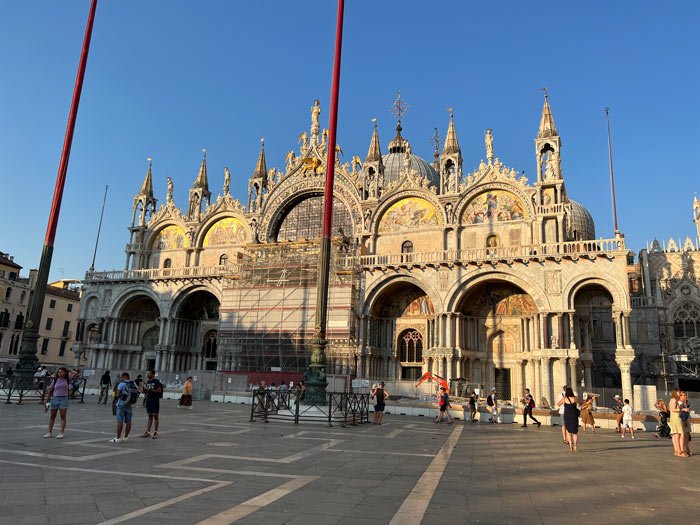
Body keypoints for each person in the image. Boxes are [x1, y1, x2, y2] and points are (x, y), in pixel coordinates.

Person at [43, 367, 70, 439]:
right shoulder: (55, 380)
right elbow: (50, 391)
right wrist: (46, 401)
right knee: (52, 416)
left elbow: (75, 373)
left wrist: (69, 370)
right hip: (55, 398)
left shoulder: (67, 380)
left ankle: (61, 432)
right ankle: (49, 432)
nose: (59, 373)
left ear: (65, 373)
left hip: (64, 399)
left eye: (61, 372)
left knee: (63, 416)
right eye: (59, 372)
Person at [111, 372, 136, 443]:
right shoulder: (133, 384)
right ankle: (126, 437)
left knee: (120, 420)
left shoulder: (121, 384)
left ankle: (118, 438)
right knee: (128, 421)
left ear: (124, 377)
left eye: (122, 377)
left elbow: (118, 394)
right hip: (129, 404)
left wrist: (118, 395)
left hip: (121, 404)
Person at [140, 370, 163, 439]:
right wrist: (142, 388)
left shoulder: (156, 382)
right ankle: (148, 432)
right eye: (147, 373)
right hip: (148, 400)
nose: (147, 374)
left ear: (153, 374)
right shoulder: (148, 382)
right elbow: (145, 392)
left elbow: (159, 391)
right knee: (150, 416)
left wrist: (149, 389)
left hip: (155, 400)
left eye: (149, 373)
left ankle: (155, 432)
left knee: (155, 416)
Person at [557, 387, 581, 452]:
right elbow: (580, 403)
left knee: (568, 431)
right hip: (574, 416)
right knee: (575, 432)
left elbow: (558, 404)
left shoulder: (564, 399)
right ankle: (575, 445)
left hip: (567, 416)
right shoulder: (575, 398)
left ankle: (570, 446)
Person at [669, 388, 687, 457]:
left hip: (674, 418)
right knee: (681, 434)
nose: (679, 394)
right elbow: (673, 409)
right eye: (679, 392)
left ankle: (677, 450)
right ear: (676, 392)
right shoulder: (673, 400)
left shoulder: (673, 400)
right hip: (676, 418)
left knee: (676, 434)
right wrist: (682, 409)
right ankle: (680, 451)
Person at [680, 391, 693, 456]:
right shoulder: (679, 402)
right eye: (684, 395)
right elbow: (679, 411)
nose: (685, 396)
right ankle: (683, 449)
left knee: (687, 434)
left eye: (686, 395)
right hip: (682, 419)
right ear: (680, 396)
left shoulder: (688, 402)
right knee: (683, 434)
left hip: (687, 418)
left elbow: (689, 409)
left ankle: (687, 448)